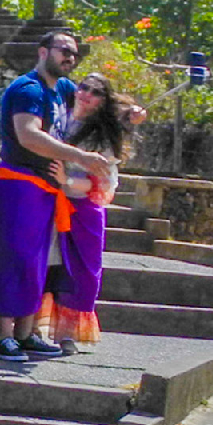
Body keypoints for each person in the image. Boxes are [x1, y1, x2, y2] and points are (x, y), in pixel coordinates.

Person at [0, 30, 114, 362]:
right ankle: (3, 336)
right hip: (19, 185)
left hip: (45, 189)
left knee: (35, 265)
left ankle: (25, 335)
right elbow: (29, 135)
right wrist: (79, 158)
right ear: (42, 51)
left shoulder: (61, 89)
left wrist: (131, 111)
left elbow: (95, 100)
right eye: (63, 50)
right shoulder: (29, 90)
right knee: (13, 259)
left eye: (74, 54)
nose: (70, 58)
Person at [45, 72, 136, 356]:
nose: (86, 94)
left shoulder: (103, 137)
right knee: (48, 268)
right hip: (48, 202)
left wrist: (65, 180)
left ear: (102, 102)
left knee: (80, 274)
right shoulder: (57, 115)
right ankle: (34, 330)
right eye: (83, 87)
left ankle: (67, 335)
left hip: (82, 208)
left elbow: (97, 182)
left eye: (95, 92)